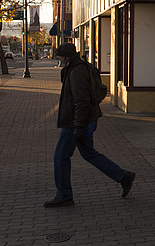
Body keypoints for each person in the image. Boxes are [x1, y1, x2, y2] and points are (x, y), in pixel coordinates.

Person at [44, 42, 135, 207]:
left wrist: (78, 126)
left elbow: (81, 101)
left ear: (65, 57)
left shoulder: (77, 71)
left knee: (61, 157)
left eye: (59, 56)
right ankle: (123, 177)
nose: (57, 59)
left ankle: (64, 195)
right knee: (89, 154)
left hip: (75, 122)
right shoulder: (75, 68)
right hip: (81, 120)